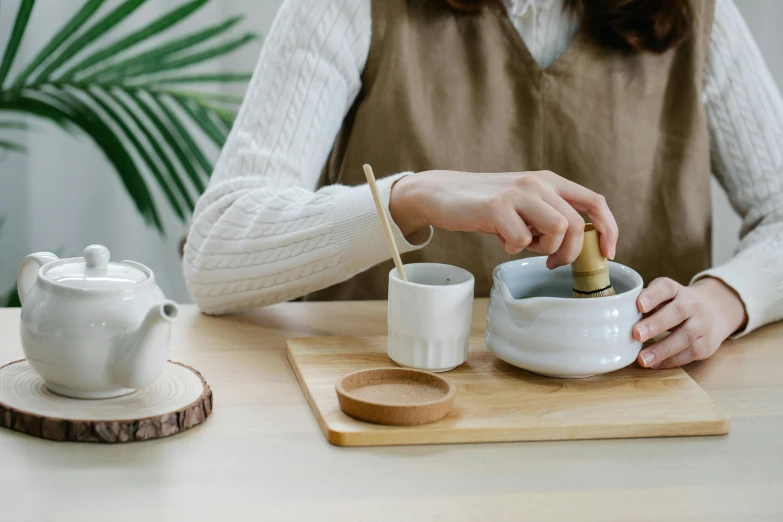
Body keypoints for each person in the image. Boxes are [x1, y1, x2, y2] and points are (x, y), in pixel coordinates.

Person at [183, 0, 783, 371]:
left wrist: (725, 300)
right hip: (391, 420)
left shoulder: (702, 15)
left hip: (636, 421)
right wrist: (410, 196)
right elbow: (213, 254)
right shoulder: (348, 6)